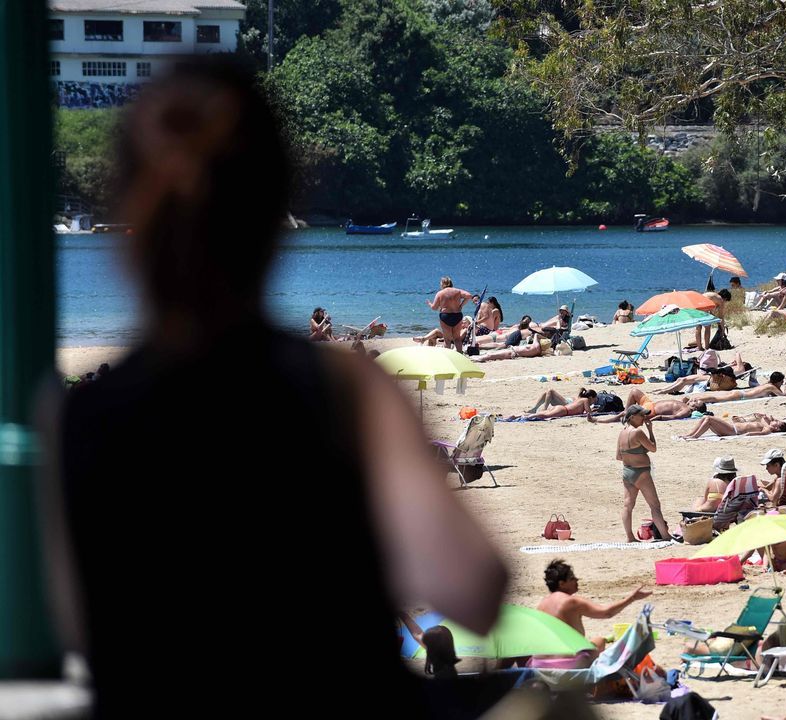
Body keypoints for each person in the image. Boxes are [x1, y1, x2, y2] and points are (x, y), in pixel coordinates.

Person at [49, 57, 507, 716]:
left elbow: (80, 627)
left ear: (126, 227)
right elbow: (472, 585)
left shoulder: (78, 416)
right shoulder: (346, 388)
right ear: (274, 219)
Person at [537, 560, 652, 653]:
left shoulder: (541, 605)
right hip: (569, 660)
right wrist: (632, 598)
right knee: (600, 641)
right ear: (561, 584)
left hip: (543, 662)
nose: (577, 580)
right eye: (572, 578)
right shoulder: (571, 602)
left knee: (596, 641)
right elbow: (606, 613)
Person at [617, 405, 672, 541]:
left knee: (628, 505)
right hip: (641, 473)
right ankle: (665, 536)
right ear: (632, 417)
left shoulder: (622, 433)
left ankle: (630, 537)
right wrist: (650, 430)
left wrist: (636, 452)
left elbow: (619, 456)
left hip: (627, 472)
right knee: (655, 506)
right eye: (641, 415)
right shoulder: (638, 432)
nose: (644, 418)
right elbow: (653, 448)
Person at [427, 276, 478, 353]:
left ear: (442, 284)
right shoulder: (457, 291)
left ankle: (449, 357)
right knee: (457, 338)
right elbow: (469, 296)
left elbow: (434, 307)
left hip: (445, 316)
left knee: (447, 340)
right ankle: (460, 355)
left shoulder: (440, 293)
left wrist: (430, 304)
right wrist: (461, 305)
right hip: (457, 315)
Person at [589, 389, 708, 422]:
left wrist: (658, 418)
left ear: (696, 408)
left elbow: (674, 417)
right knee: (634, 391)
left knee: (625, 414)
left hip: (651, 410)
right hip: (650, 403)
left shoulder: (687, 411)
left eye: (697, 402)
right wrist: (689, 400)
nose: (695, 399)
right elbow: (686, 398)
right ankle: (626, 412)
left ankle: (598, 420)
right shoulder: (685, 404)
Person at [685, 371, 786, 404]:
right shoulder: (771, 387)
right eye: (781, 381)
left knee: (715, 396)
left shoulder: (768, 385)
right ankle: (693, 400)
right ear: (778, 381)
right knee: (715, 399)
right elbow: (783, 395)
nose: (782, 383)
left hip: (740, 393)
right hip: (741, 396)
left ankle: (693, 399)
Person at [677, 412, 786, 439]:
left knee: (708, 418)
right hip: (731, 428)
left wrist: (749, 434)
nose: (775, 420)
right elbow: (767, 417)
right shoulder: (767, 424)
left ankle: (694, 436)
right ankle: (690, 435)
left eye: (777, 422)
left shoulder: (767, 429)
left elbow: (761, 434)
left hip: (732, 430)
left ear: (776, 428)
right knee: (705, 418)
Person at [510, 388, 598, 420]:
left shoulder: (581, 399)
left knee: (543, 414)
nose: (595, 401)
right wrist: (594, 412)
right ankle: (525, 417)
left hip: (561, 408)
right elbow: (588, 412)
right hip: (563, 410)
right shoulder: (585, 400)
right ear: (590, 397)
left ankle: (517, 415)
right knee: (543, 415)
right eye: (595, 399)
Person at [473, 337, 551, 362]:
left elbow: (536, 336)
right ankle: (478, 358)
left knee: (491, 355)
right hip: (513, 353)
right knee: (493, 355)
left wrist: (541, 336)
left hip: (512, 352)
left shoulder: (536, 346)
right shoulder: (538, 351)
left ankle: (478, 358)